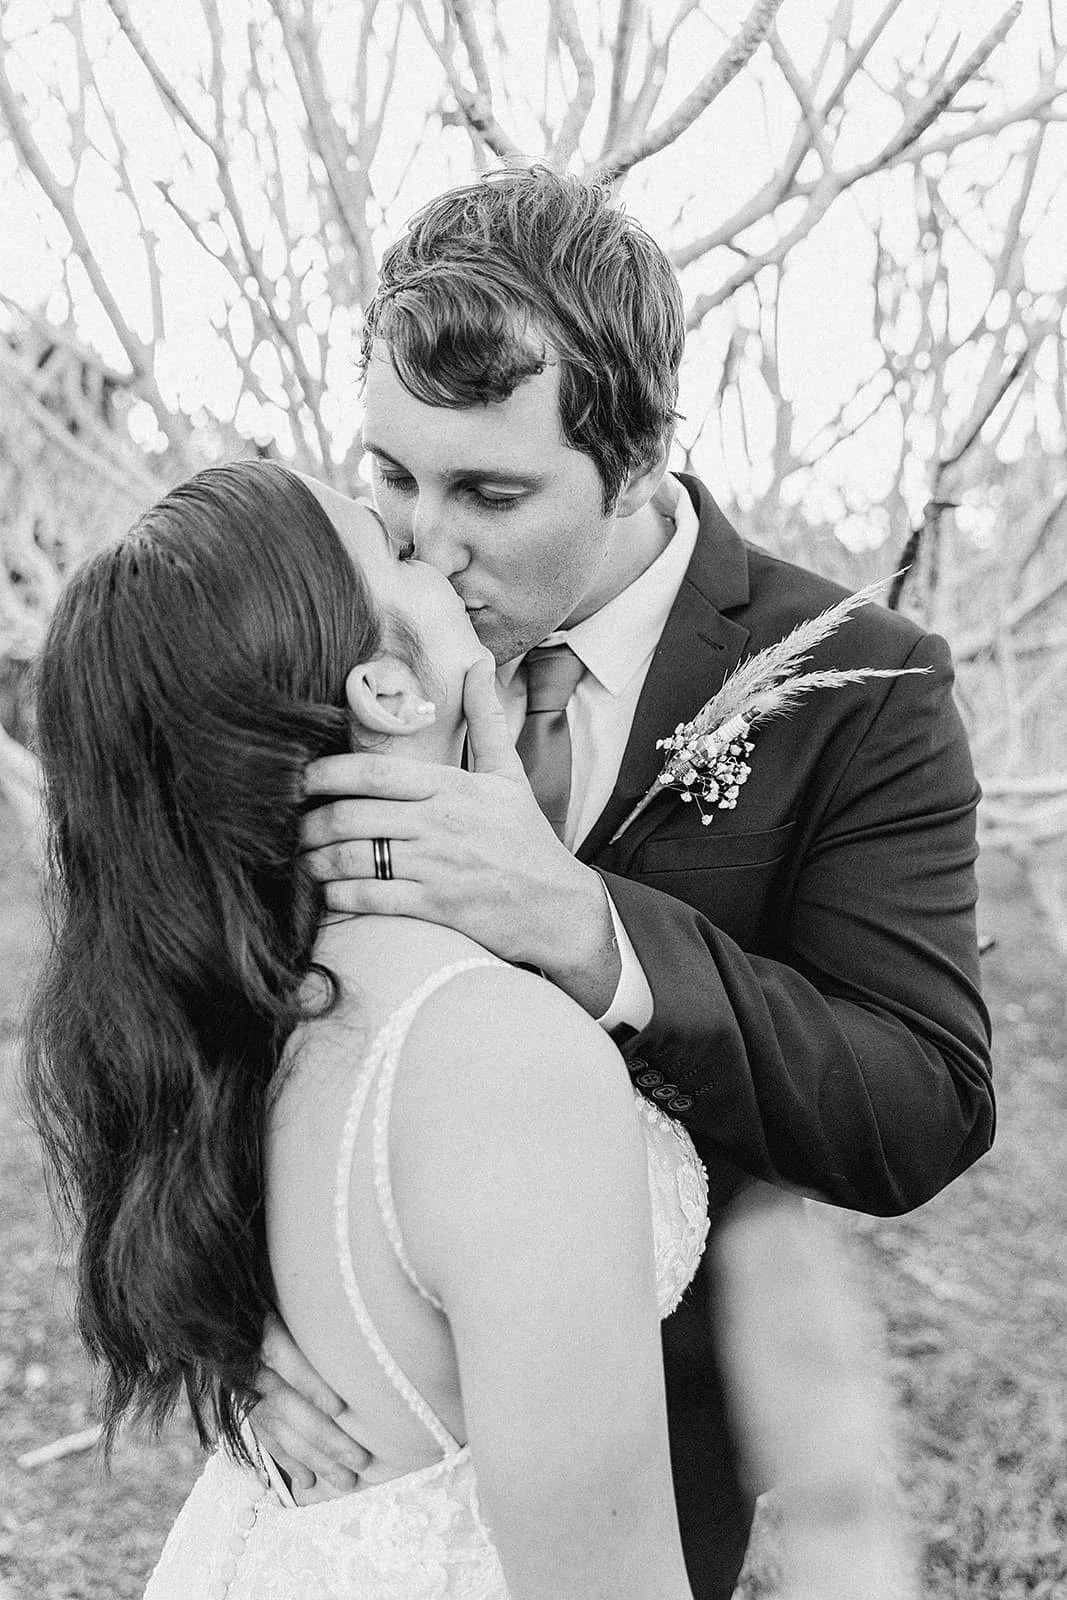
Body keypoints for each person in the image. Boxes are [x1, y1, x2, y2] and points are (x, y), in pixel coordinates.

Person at [252, 165, 994, 1597]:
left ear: (641, 456)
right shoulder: (318, 617)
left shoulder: (860, 687)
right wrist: (204, 1308)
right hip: (333, 1463)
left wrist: (588, 935)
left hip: (639, 1478)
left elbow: (915, 1104)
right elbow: (175, 985)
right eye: (389, 474)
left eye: (489, 491)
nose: (419, 542)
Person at [23, 460, 705, 1599]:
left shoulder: (234, 1018)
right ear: (386, 690)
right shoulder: (501, 1061)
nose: (431, 544)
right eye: (391, 549)